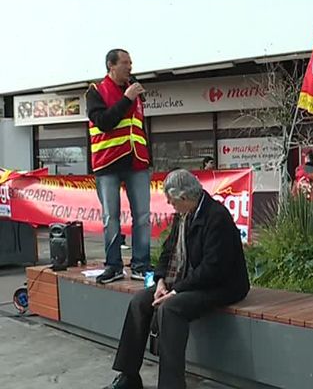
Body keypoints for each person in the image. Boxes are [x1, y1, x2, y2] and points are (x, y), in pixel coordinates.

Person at [103, 169, 250, 389]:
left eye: (172, 202)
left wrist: (176, 290)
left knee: (170, 309)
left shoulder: (216, 217)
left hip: (222, 284)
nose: (171, 206)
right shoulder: (184, 215)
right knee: (140, 301)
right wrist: (161, 281)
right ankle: (129, 376)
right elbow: (168, 251)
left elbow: (213, 270)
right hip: (189, 279)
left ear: (184, 198)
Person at [86, 48, 151, 284]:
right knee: (110, 217)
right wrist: (127, 99)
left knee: (143, 216)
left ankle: (141, 264)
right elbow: (103, 122)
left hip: (137, 161)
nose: (130, 67)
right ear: (111, 66)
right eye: (125, 62)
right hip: (108, 162)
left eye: (131, 62)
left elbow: (139, 128)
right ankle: (113, 266)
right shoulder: (96, 91)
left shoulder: (133, 91)